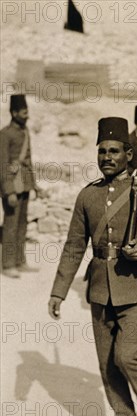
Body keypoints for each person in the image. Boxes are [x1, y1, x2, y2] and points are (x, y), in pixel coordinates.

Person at [47, 117, 137, 416]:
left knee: (126, 355)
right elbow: (74, 246)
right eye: (102, 151)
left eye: (114, 151)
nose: (106, 157)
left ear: (128, 155)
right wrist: (59, 292)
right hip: (100, 290)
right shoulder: (87, 197)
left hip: (136, 289)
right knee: (106, 362)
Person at [1, 94, 44, 278]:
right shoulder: (5, 134)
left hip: (24, 184)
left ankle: (20, 260)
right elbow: (2, 164)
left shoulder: (25, 132)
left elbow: (28, 160)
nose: (27, 116)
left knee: (22, 225)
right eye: (24, 112)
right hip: (12, 185)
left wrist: (34, 185)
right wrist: (8, 191)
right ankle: (8, 264)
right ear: (14, 112)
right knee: (10, 226)